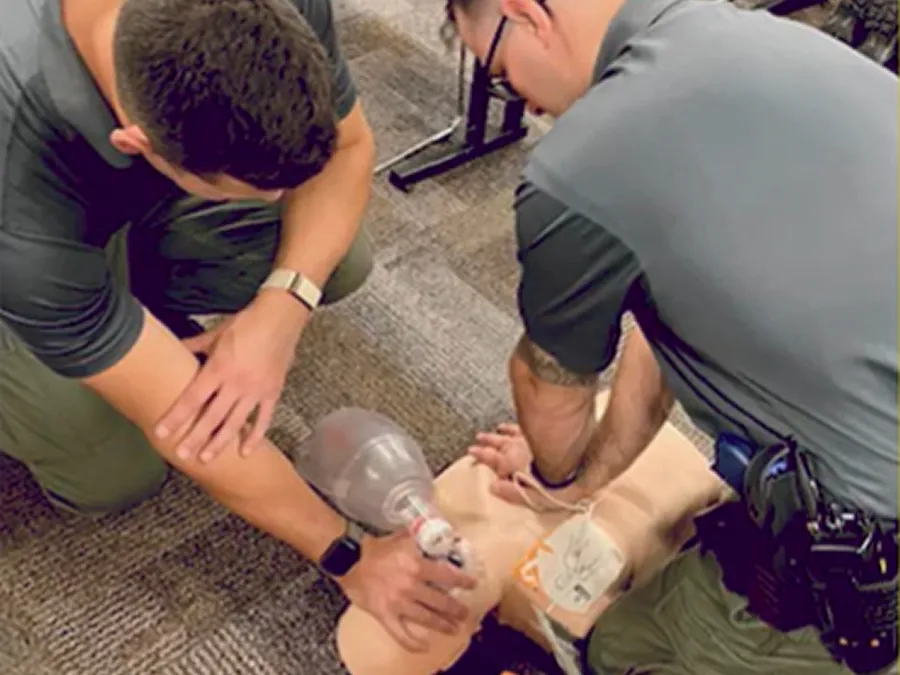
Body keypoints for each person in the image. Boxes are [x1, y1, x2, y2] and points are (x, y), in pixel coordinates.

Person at [0, 0, 474, 650]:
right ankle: (84, 325)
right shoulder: (18, 183)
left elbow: (348, 146)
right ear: (136, 144)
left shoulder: (270, 11)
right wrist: (348, 556)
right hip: (27, 247)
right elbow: (190, 424)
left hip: (94, 211)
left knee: (334, 259)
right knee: (115, 474)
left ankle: (122, 304)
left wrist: (282, 303)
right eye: (246, 189)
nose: (277, 202)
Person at [443, 0, 898, 673]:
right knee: (620, 637)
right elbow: (676, 315)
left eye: (504, 73)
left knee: (618, 657)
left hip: (857, 559)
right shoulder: (746, 32)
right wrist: (583, 484)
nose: (528, 107)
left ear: (528, 13)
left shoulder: (582, 166)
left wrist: (553, 468)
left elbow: (547, 389)